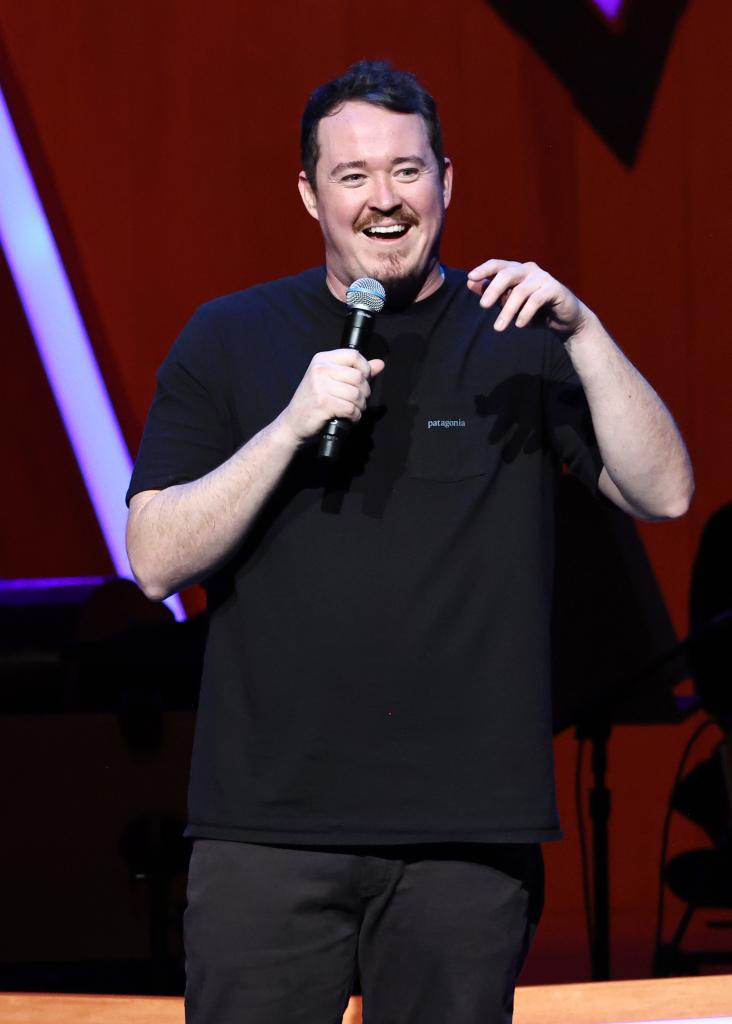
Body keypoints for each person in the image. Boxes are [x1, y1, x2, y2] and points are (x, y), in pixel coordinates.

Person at [126, 61, 693, 1024]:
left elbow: (666, 492)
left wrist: (587, 332)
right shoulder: (228, 337)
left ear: (445, 182)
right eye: (353, 175)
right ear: (309, 192)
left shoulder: (517, 334)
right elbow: (153, 558)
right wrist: (289, 427)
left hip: (465, 840)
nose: (384, 200)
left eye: (407, 170)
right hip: (269, 834)